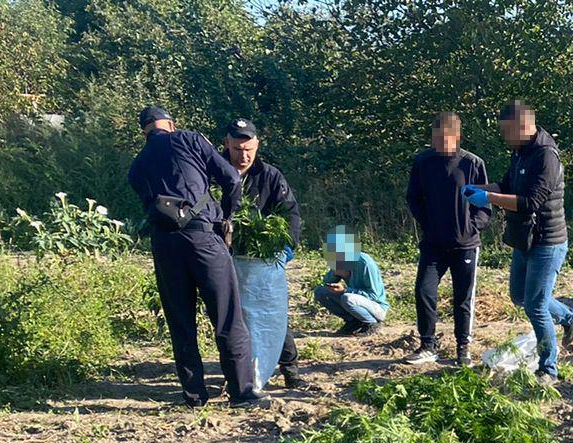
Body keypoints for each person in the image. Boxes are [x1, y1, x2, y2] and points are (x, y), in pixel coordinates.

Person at [126, 106, 266, 408]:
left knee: (181, 322)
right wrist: (225, 215)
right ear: (171, 125)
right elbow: (230, 178)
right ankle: (241, 393)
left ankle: (193, 395)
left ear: (144, 131)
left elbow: (144, 196)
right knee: (227, 315)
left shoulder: (137, 165)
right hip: (204, 237)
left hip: (164, 244)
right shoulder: (190, 139)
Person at [464, 100, 573, 387]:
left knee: (536, 306)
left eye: (507, 131)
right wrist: (478, 189)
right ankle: (571, 315)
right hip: (524, 239)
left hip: (548, 241)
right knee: (519, 297)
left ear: (523, 126)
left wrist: (489, 199)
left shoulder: (546, 156)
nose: (504, 137)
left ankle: (549, 369)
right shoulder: (520, 153)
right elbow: (506, 187)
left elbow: (531, 201)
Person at [222, 117, 304, 389]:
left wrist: (287, 247)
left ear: (257, 145)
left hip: (262, 259)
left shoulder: (269, 175)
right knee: (234, 317)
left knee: (271, 312)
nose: (243, 156)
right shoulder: (214, 172)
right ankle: (238, 372)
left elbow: (290, 213)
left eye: (249, 150)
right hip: (226, 256)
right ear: (227, 144)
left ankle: (289, 368)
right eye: (237, 149)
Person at [404, 112, 489, 366]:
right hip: (433, 244)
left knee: (462, 298)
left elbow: (485, 204)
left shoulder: (472, 164)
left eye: (444, 138)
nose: (439, 142)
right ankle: (428, 345)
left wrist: (472, 226)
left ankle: (463, 347)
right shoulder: (423, 162)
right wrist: (427, 223)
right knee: (424, 291)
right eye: (435, 137)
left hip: (465, 244)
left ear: (456, 136)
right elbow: (413, 198)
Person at [315, 227, 389, 334]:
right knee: (320, 291)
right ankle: (353, 321)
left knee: (347, 298)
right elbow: (326, 283)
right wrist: (336, 274)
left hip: (377, 307)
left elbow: (374, 295)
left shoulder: (364, 263)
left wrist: (345, 290)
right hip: (357, 302)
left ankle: (372, 323)